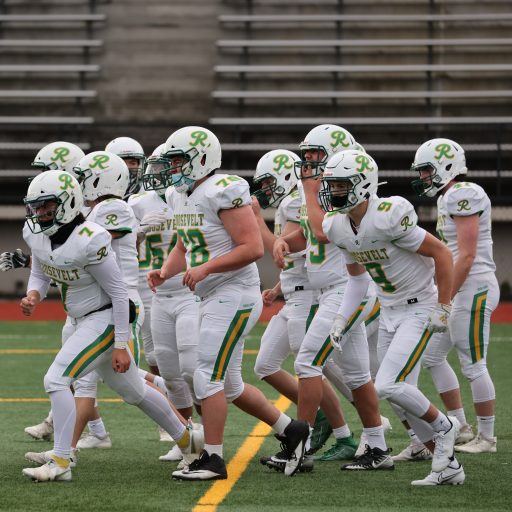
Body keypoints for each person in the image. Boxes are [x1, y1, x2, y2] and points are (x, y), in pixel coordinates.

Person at [148, 126, 309, 481]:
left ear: (201, 159)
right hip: (212, 296)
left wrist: (206, 268)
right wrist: (166, 271)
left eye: (177, 160)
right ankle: (291, 429)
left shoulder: (223, 189)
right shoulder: (180, 195)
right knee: (231, 385)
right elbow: (184, 243)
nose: (171, 167)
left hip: (234, 294)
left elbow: (252, 248)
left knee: (206, 375)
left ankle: (213, 458)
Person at [20, 170, 201, 482]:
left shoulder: (90, 239)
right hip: (81, 319)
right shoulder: (36, 234)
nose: (39, 213)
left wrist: (120, 344)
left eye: (47, 205)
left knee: (56, 379)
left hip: (104, 318)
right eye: (36, 206)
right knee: (134, 392)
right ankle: (189, 441)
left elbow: (119, 294)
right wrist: (34, 294)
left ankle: (61, 460)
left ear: (67, 203)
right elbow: (40, 268)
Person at [321, 149, 464, 485]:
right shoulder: (337, 225)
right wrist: (341, 318)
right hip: (389, 310)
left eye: (341, 185)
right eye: (332, 185)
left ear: (363, 184)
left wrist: (443, 306)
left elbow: (442, 253)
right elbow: (358, 280)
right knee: (401, 401)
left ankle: (446, 427)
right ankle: (450, 468)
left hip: (419, 306)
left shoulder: (388, 214)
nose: (334, 191)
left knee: (387, 384)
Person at [273, 125, 389, 475]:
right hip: (332, 290)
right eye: (306, 153)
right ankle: (378, 447)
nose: (307, 159)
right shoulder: (320, 188)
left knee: (308, 362)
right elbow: (311, 233)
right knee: (357, 375)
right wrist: (285, 242)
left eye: (315, 153)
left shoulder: (343, 188)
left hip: (346, 289)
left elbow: (324, 230)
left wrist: (310, 189)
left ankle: (300, 445)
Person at [412, 138, 499, 454]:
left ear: (445, 165)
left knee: (474, 365)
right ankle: (460, 427)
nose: (423, 176)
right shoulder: (449, 196)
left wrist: (444, 297)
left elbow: (467, 255)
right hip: (463, 289)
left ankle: (487, 438)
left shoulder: (463, 193)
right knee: (431, 357)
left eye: (426, 170)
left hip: (473, 288)